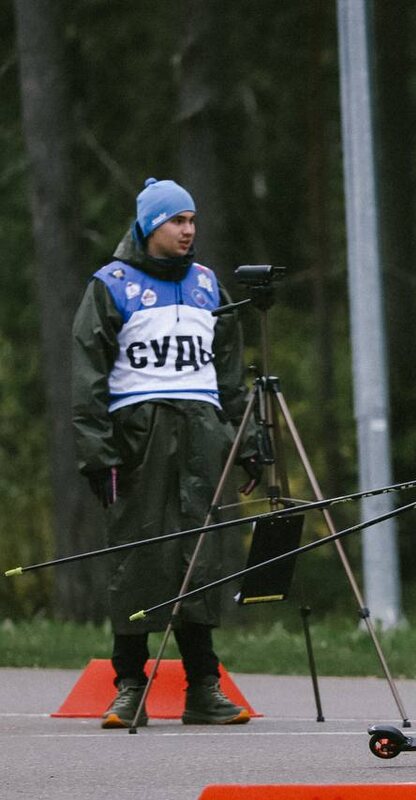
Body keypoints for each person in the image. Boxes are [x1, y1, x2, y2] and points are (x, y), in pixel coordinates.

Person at [72, 178, 260, 728]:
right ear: (151, 225)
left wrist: (245, 443)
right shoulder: (111, 285)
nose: (188, 231)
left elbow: (230, 377)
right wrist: (97, 453)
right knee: (138, 553)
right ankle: (129, 682)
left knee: (199, 556)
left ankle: (204, 685)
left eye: (193, 220)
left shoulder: (207, 286)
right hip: (140, 435)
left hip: (201, 433)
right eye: (177, 221)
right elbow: (88, 377)